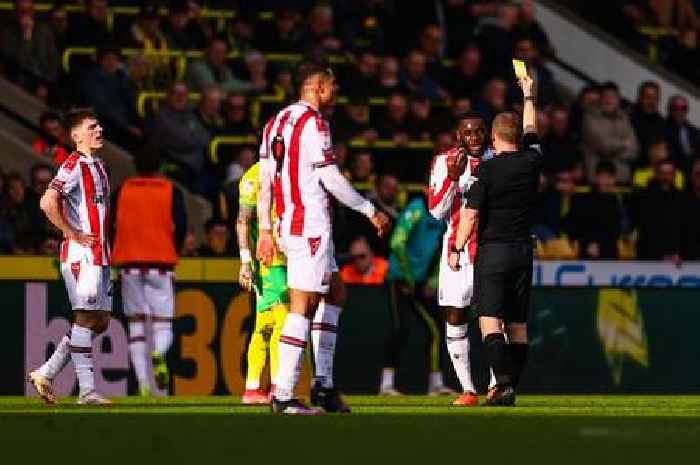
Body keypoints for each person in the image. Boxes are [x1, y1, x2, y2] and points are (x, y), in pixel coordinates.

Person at [256, 63, 390, 415]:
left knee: (335, 292)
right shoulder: (315, 124)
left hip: (290, 223)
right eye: (332, 84)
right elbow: (329, 176)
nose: (337, 89)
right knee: (304, 305)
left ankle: (323, 385)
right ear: (317, 86)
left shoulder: (274, 123)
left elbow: (265, 182)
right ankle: (283, 395)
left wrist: (267, 229)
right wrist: (368, 208)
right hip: (309, 226)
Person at [453, 75, 541, 406]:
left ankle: (502, 383)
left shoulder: (486, 171)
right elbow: (531, 129)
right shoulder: (533, 161)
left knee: (489, 318)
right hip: (523, 250)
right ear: (518, 137)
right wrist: (528, 94)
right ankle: (509, 388)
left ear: (492, 138)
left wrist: (457, 247)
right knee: (517, 324)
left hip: (493, 251)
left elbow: (470, 214)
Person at [28, 108, 113, 405]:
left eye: (99, 125)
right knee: (85, 317)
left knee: (100, 321)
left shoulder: (99, 165)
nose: (99, 130)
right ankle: (87, 391)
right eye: (92, 127)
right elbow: (47, 201)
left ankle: (46, 372)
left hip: (100, 253)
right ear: (76, 135)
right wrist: (71, 232)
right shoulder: (73, 163)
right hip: (82, 254)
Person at [428, 113, 497, 406]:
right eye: (468, 133)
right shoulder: (444, 163)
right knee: (456, 316)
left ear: (488, 134)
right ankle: (468, 389)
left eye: (480, 131)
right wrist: (453, 181)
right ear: (459, 137)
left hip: (492, 248)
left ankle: (496, 386)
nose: (474, 137)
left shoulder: (499, 161)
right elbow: (436, 212)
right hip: (457, 252)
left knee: (495, 318)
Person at [111, 146, 186, 397]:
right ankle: (159, 353)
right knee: (162, 324)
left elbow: (109, 223)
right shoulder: (170, 190)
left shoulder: (121, 190)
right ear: (160, 166)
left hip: (129, 263)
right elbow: (182, 225)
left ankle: (144, 383)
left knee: (136, 325)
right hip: (161, 263)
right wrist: (174, 248)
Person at [381, 190, 449, 396]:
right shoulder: (416, 209)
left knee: (436, 328)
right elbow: (396, 242)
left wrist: (434, 279)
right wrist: (407, 276)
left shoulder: (442, 214)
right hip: (400, 278)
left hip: (419, 281)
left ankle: (436, 385)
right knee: (401, 327)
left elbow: (444, 247)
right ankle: (386, 385)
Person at [236, 161, 290, 405]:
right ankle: (278, 386)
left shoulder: (293, 169)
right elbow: (243, 221)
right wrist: (246, 262)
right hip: (269, 261)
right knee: (282, 320)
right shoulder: (253, 177)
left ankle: (252, 388)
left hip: (290, 258)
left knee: (265, 323)